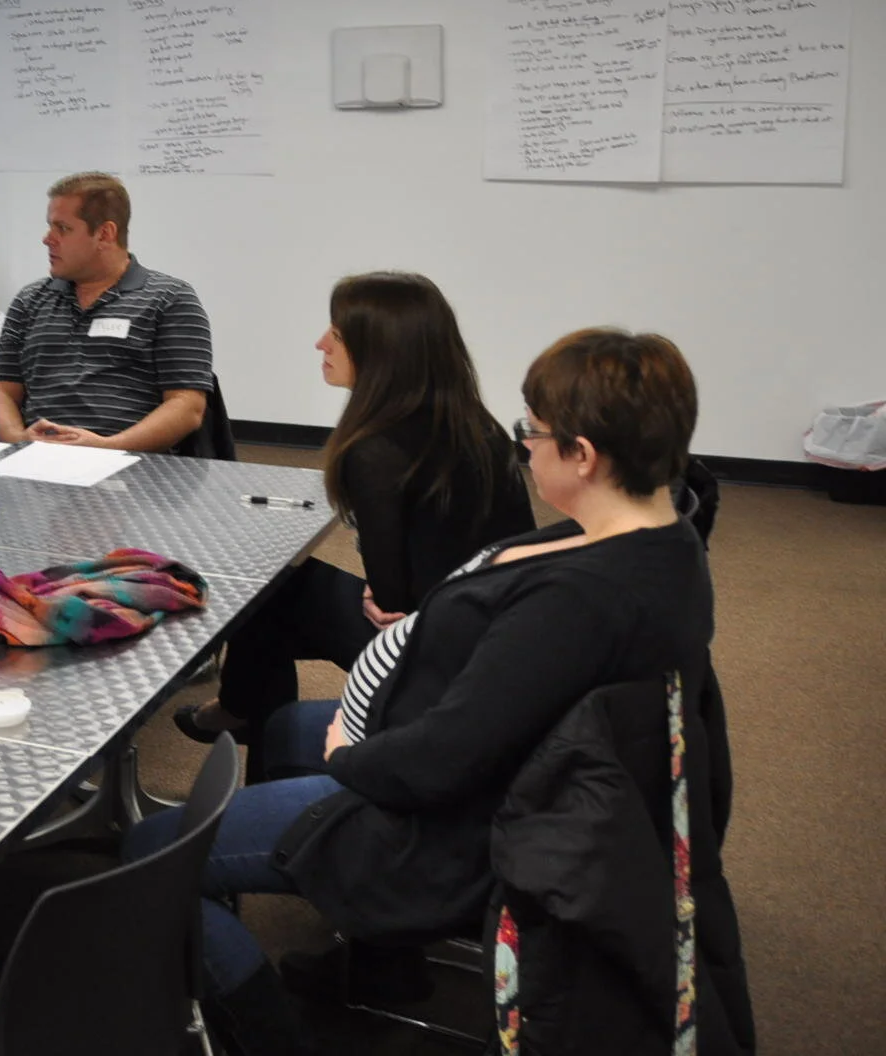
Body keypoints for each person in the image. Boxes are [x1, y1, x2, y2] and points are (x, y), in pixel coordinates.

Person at [127, 328, 732, 1056]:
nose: (524, 446)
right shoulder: (662, 535)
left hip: (458, 822)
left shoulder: (580, 601)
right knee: (286, 728)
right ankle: (381, 962)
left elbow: (447, 758)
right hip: (501, 775)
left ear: (584, 455)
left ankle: (267, 1033)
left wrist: (354, 752)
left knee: (147, 857)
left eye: (532, 432)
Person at [174, 272, 533, 751]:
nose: (320, 343)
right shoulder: (473, 423)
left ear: (380, 351)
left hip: (429, 648)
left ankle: (251, 727)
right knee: (279, 596)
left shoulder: (375, 450)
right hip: (493, 632)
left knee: (267, 599)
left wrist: (384, 593)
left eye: (337, 335)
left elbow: (388, 600)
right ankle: (243, 714)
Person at [0, 172, 213, 453]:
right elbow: (1, 391)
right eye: (50, 227)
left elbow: (187, 407)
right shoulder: (30, 300)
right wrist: (18, 439)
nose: (48, 239)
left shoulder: (170, 299)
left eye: (63, 228)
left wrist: (108, 446)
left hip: (130, 468)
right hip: (36, 462)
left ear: (105, 234)